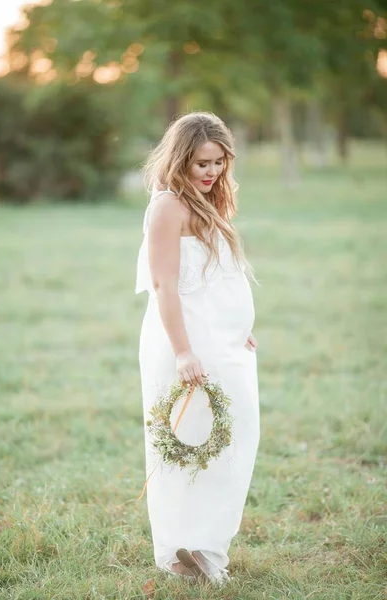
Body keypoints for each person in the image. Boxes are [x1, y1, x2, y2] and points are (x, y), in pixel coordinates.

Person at [135, 111, 260, 585]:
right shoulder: (167, 207)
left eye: (219, 163)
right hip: (183, 341)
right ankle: (188, 550)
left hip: (224, 340)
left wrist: (237, 324)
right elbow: (165, 284)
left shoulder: (211, 202)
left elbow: (217, 276)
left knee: (235, 436)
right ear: (180, 159)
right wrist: (184, 352)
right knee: (188, 443)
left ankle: (207, 544)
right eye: (201, 163)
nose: (211, 173)